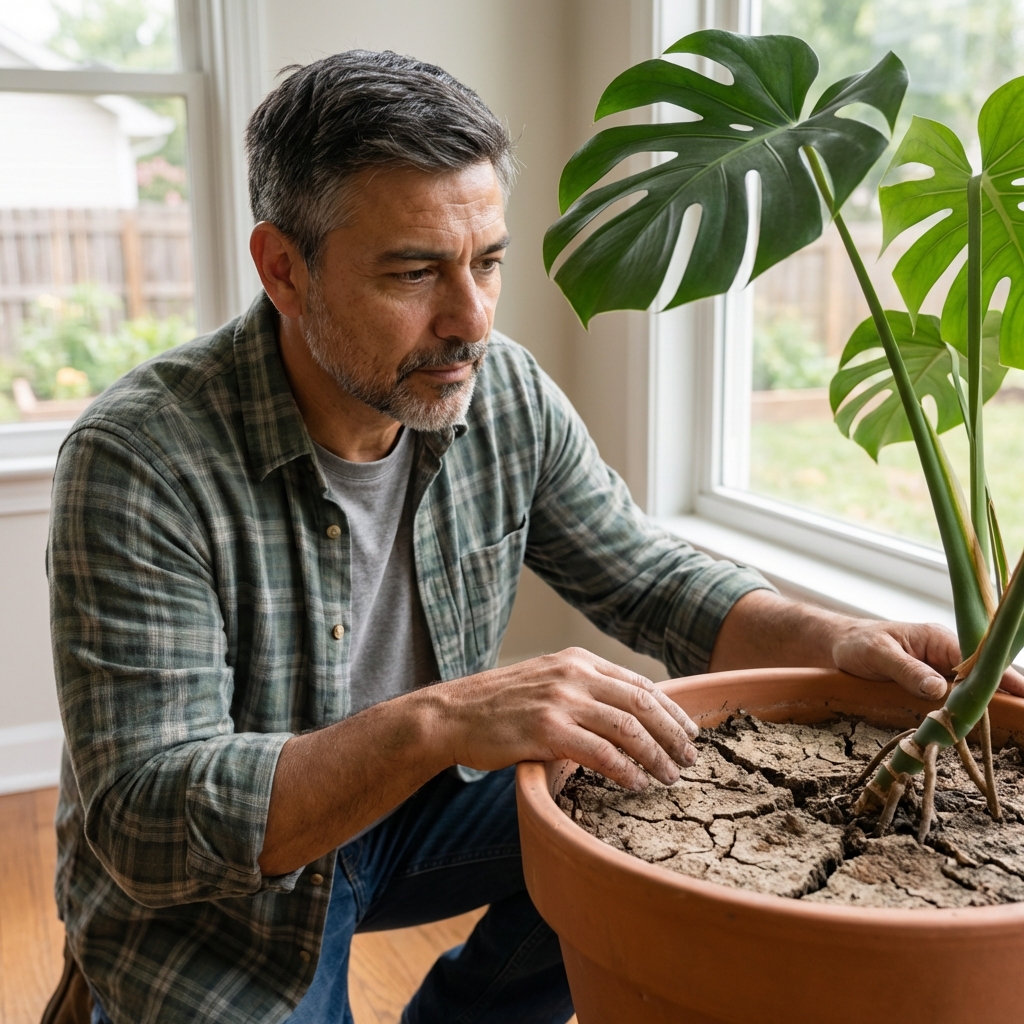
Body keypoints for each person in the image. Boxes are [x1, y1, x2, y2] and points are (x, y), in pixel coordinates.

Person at [48, 49, 982, 1024]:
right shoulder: (140, 458)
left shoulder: (502, 395)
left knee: (650, 772)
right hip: (221, 906)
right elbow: (144, 819)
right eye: (413, 271)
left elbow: (649, 579)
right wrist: (442, 720)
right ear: (284, 268)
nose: (471, 319)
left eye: (486, 262)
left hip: (412, 812)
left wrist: (828, 637)